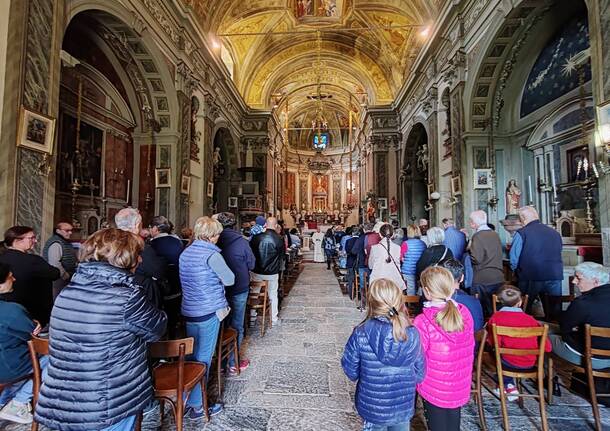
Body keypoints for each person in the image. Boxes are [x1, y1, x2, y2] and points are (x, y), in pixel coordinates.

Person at [35, 228, 167, 431]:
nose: (140, 261)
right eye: (137, 255)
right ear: (125, 258)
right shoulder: (126, 298)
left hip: (64, 397)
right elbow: (156, 329)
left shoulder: (66, 293)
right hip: (108, 397)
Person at [342, 279, 425, 431]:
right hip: (402, 405)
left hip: (373, 406)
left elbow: (350, 370)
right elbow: (419, 374)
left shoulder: (361, 333)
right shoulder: (413, 334)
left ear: (371, 302)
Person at [180, 217, 234, 418]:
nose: (219, 237)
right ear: (211, 235)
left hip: (189, 309)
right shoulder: (212, 255)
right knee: (203, 359)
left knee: (190, 356)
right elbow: (230, 280)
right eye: (217, 234)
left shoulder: (186, 252)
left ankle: (185, 399)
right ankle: (198, 406)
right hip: (208, 310)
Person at [414, 266, 474, 431]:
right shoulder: (465, 314)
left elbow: (417, 357)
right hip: (458, 384)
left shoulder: (423, 321)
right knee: (453, 424)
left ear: (426, 291)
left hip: (434, 386)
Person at [487, 285, 551, 401]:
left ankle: (507, 384)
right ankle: (503, 383)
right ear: (520, 302)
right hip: (530, 363)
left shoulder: (496, 319)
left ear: (499, 301)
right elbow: (547, 348)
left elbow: (492, 342)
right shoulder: (531, 320)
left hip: (507, 363)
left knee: (495, 352)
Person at [0, 262, 45, 424]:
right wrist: (34, 323)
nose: (14, 278)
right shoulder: (11, 310)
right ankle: (18, 402)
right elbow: (32, 334)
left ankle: (4, 399)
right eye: (9, 276)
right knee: (54, 359)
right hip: (7, 367)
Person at [214, 212, 255, 375]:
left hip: (218, 290)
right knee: (237, 324)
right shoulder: (242, 242)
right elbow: (252, 264)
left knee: (219, 325)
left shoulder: (212, 240)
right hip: (239, 288)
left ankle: (219, 363)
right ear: (234, 224)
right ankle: (233, 362)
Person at [549, 262, 610, 369]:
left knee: (543, 336)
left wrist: (577, 328)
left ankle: (547, 377)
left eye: (578, 278)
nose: (573, 281)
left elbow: (564, 328)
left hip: (593, 358)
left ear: (595, 281)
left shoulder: (583, 302)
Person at [510, 206, 563, 321]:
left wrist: (515, 272)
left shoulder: (522, 233)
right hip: (554, 275)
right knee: (554, 311)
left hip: (530, 276)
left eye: (520, 219)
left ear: (523, 218)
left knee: (525, 309)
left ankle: (527, 334)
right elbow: (559, 251)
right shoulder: (554, 233)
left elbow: (514, 258)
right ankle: (553, 335)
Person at [0, 226, 60, 326]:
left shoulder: (2, 257)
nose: (35, 240)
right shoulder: (33, 261)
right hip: (32, 314)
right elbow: (55, 273)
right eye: (31, 238)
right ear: (16, 241)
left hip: (5, 313)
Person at [115, 208, 168, 310]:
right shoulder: (139, 246)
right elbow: (157, 270)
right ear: (137, 225)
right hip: (138, 297)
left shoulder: (108, 243)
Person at [149, 215, 184, 337]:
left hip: (160, 287)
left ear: (155, 229)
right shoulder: (177, 241)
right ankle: (175, 339)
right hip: (177, 283)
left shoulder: (152, 244)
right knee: (174, 316)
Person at [467, 210, 504, 317]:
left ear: (473, 223)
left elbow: (477, 259)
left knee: (480, 310)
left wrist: (469, 252)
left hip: (482, 278)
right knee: (495, 310)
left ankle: (482, 332)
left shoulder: (478, 236)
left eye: (470, 221)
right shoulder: (495, 234)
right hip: (498, 277)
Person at [250, 217, 285, 325]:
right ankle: (273, 318)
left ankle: (252, 316)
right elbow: (282, 257)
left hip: (257, 270)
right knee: (272, 294)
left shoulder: (256, 237)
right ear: (275, 225)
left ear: (265, 224)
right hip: (272, 271)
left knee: (254, 293)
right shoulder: (279, 239)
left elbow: (251, 254)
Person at [440, 258, 484, 332]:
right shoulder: (473, 301)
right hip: (471, 342)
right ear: (462, 278)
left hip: (443, 342)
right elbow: (478, 328)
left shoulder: (435, 300)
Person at [42, 221, 77, 299]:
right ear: (58, 231)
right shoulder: (56, 243)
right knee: (58, 299)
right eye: (67, 230)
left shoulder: (65, 242)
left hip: (65, 278)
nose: (70, 232)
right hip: (58, 279)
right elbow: (54, 263)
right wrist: (65, 275)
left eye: (71, 230)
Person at [368, 224, 405, 291]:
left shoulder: (374, 248)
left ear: (380, 234)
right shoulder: (398, 248)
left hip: (378, 281)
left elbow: (370, 265)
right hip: (394, 281)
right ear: (392, 234)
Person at [400, 224, 426, 295]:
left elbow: (401, 258)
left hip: (408, 270)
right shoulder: (423, 243)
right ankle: (418, 304)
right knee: (420, 289)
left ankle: (411, 305)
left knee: (411, 290)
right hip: (420, 270)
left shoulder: (405, 243)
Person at [344, 227, 360, 299]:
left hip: (350, 261)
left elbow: (347, 251)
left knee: (351, 278)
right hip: (359, 262)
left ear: (352, 233)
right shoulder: (361, 240)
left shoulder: (348, 241)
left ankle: (351, 294)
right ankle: (359, 292)